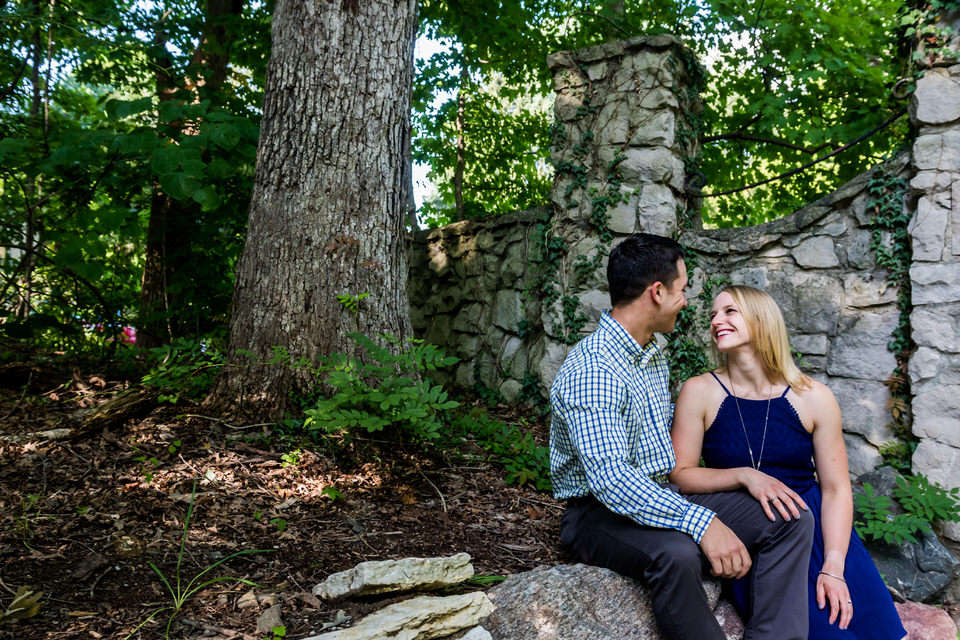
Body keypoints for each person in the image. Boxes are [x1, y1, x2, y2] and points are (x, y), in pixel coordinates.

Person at [550, 234, 815, 640]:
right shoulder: (593, 370)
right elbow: (613, 481)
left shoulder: (651, 352)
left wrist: (732, 484)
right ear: (657, 292)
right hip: (596, 512)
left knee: (789, 516)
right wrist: (703, 523)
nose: (687, 301)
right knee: (677, 553)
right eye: (683, 288)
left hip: (662, 494)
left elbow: (668, 468)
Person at [670, 284, 907, 639]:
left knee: (882, 631)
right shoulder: (700, 391)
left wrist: (834, 564)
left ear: (761, 320)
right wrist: (743, 476)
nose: (716, 320)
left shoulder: (813, 397)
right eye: (713, 315)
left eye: (729, 311)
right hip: (757, 532)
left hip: (819, 528)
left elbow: (836, 488)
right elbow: (681, 475)